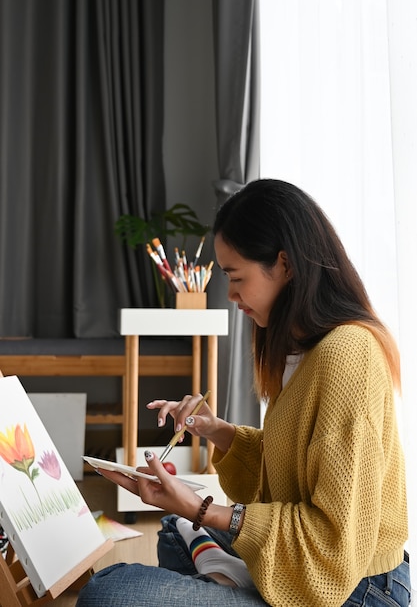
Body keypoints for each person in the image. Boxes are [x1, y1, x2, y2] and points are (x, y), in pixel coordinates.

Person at [76, 179, 410, 607]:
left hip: (355, 591)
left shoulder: (348, 356)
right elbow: (286, 474)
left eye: (236, 277)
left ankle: (230, 584)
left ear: (285, 265)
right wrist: (217, 431)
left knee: (109, 592)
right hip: (320, 569)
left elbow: (333, 546)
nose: (231, 295)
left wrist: (202, 510)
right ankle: (232, 585)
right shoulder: (304, 348)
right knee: (174, 533)